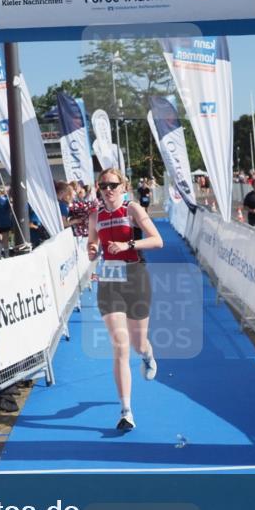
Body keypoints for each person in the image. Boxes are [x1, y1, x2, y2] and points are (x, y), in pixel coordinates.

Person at [87, 168, 163, 431]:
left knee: (139, 344)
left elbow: (157, 240)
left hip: (135, 276)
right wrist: (93, 249)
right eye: (103, 184)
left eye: (112, 184)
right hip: (109, 279)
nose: (107, 189)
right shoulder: (95, 215)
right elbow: (92, 243)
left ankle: (148, 355)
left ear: (123, 186)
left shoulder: (132, 210)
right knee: (120, 345)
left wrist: (128, 246)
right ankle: (126, 411)